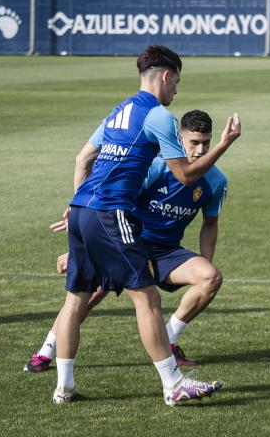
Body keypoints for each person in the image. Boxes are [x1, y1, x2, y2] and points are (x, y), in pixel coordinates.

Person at [52, 45, 241, 406]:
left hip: (83, 208)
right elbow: (184, 175)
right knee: (148, 297)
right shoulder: (158, 116)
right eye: (177, 83)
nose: (176, 92)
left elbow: (83, 159)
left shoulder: (120, 110)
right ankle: (173, 384)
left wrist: (80, 205)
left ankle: (64, 387)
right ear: (166, 76)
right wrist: (224, 145)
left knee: (76, 300)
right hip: (111, 212)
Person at [25, 110, 227, 373]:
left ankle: (168, 338)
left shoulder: (216, 180)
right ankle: (46, 351)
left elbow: (210, 224)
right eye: (194, 143)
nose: (200, 150)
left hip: (166, 253)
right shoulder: (155, 168)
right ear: (179, 140)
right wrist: (78, 248)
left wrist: (204, 259)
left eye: (206, 142)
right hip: (127, 242)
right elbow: (110, 205)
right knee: (89, 295)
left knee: (210, 277)